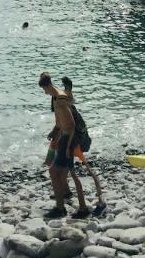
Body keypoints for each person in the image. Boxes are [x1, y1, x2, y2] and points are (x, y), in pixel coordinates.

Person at [61, 76, 106, 216]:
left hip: (76, 143)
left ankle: (88, 206)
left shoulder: (65, 105)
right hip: (81, 140)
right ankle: (99, 200)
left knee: (81, 172)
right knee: (86, 170)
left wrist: (68, 146)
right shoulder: (70, 101)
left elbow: (72, 127)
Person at [39, 72, 80, 218]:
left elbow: (70, 124)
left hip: (65, 137)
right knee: (52, 163)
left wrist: (66, 143)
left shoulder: (59, 98)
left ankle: (61, 205)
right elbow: (59, 120)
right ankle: (65, 193)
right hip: (60, 134)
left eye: (44, 89)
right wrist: (54, 133)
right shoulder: (56, 97)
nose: (44, 92)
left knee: (54, 169)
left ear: (48, 86)